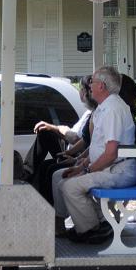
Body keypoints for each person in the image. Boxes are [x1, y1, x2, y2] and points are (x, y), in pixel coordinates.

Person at [53, 66, 136, 244]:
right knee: (60, 177)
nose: (90, 84)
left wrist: (86, 171)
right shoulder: (104, 108)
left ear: (103, 86)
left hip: (118, 171)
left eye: (93, 81)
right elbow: (97, 148)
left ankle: (91, 229)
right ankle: (98, 222)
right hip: (109, 168)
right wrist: (80, 167)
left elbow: (111, 153)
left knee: (70, 187)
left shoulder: (113, 109)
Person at [29, 76, 96, 204]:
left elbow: (79, 139)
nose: (80, 92)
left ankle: (50, 210)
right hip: (72, 151)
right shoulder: (89, 113)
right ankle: (27, 172)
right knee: (45, 135)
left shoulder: (95, 114)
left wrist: (58, 129)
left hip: (78, 154)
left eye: (82, 89)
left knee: (49, 169)